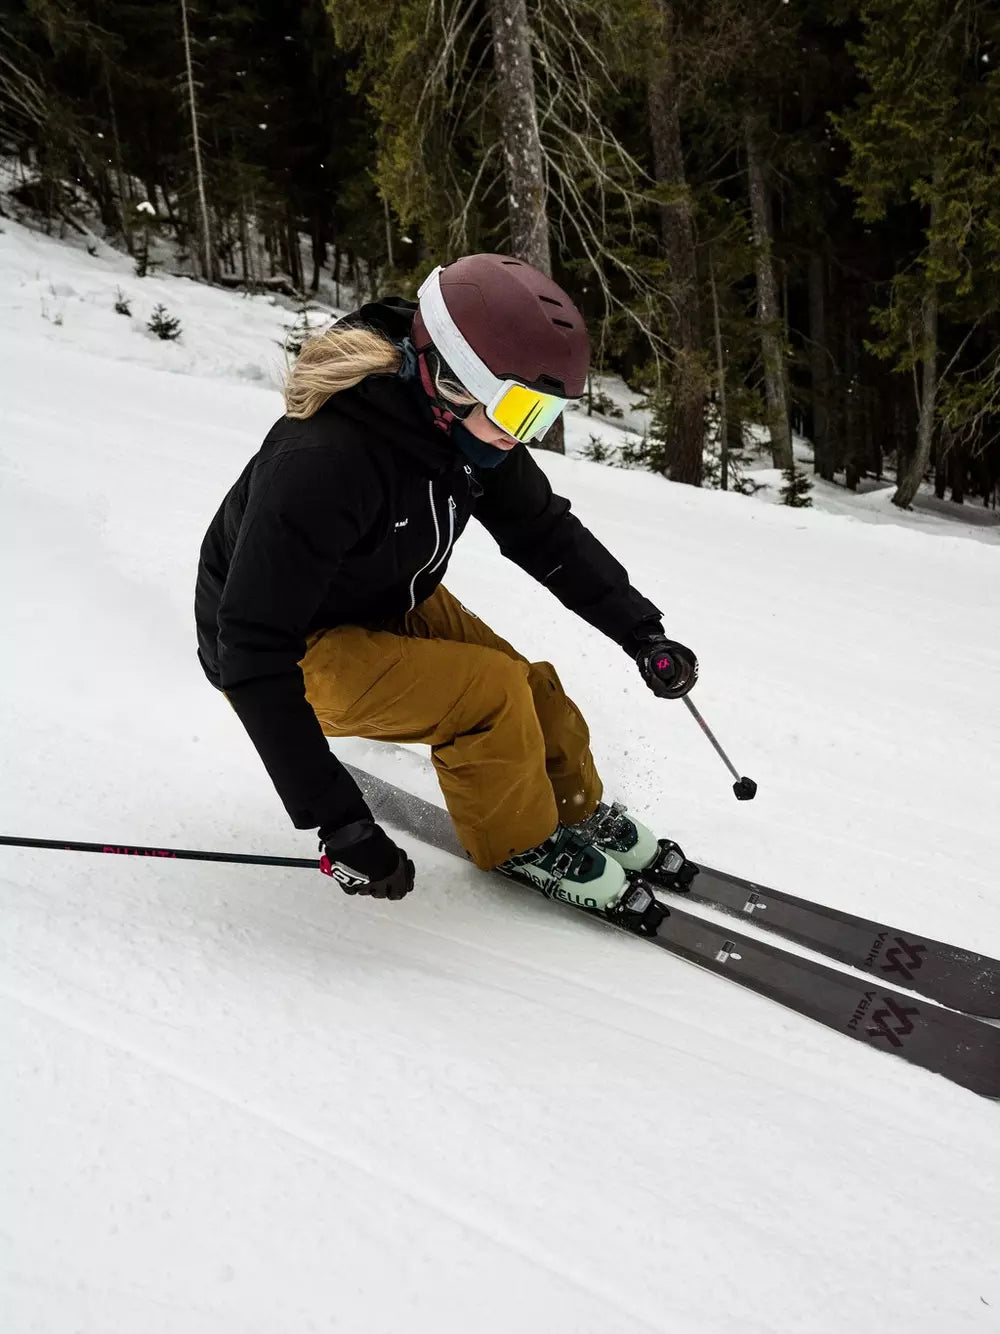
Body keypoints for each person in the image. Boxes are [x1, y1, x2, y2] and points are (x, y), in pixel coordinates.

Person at [195, 254, 698, 934]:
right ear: (453, 377)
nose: (525, 431)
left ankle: (572, 808)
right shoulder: (324, 461)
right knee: (487, 696)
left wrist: (640, 630)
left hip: (378, 599)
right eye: (520, 407)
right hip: (284, 648)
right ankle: (523, 841)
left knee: (527, 684)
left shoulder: (465, 430)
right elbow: (252, 647)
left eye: (543, 413)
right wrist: (338, 820)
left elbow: (544, 533)